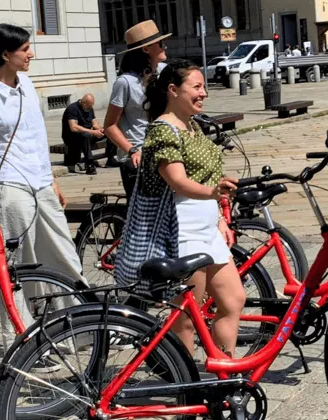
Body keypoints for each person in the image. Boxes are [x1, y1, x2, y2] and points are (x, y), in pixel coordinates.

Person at [120, 59, 244, 356]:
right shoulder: (163, 130)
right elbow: (177, 181)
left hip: (206, 228)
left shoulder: (192, 126)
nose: (204, 93)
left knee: (233, 300)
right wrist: (214, 193)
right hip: (180, 231)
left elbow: (206, 176)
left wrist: (219, 220)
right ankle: (186, 383)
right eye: (197, 87)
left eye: (204, 87)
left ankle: (223, 371)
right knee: (186, 317)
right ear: (173, 90)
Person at [0, 24, 88, 325]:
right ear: (5, 54)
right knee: (15, 265)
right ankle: (21, 340)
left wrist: (52, 178)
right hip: (10, 186)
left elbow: (38, 136)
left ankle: (82, 326)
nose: (31, 54)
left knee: (64, 254)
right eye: (25, 49)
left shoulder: (26, 85)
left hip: (40, 182)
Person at [103, 20, 169, 201]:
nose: (165, 46)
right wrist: (132, 151)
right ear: (146, 49)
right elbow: (109, 125)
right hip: (137, 157)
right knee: (142, 218)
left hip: (164, 151)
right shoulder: (125, 83)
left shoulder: (164, 72)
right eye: (160, 43)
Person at [61, 94, 117, 174]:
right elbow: (73, 127)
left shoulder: (89, 108)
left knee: (110, 132)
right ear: (83, 103)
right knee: (85, 136)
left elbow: (94, 123)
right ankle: (90, 164)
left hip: (88, 133)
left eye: (91, 106)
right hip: (72, 137)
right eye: (89, 106)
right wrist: (93, 132)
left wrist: (100, 130)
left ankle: (111, 159)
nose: (90, 108)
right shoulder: (72, 109)